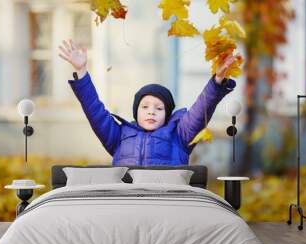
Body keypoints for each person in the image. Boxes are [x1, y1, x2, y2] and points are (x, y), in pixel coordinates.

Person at [58, 39, 240, 166]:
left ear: (167, 115)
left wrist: (218, 79)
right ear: (136, 112)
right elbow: (94, 110)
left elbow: (202, 109)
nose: (151, 111)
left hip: (165, 206)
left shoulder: (180, 135)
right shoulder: (118, 136)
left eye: (159, 108)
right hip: (127, 205)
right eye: (144, 107)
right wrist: (81, 71)